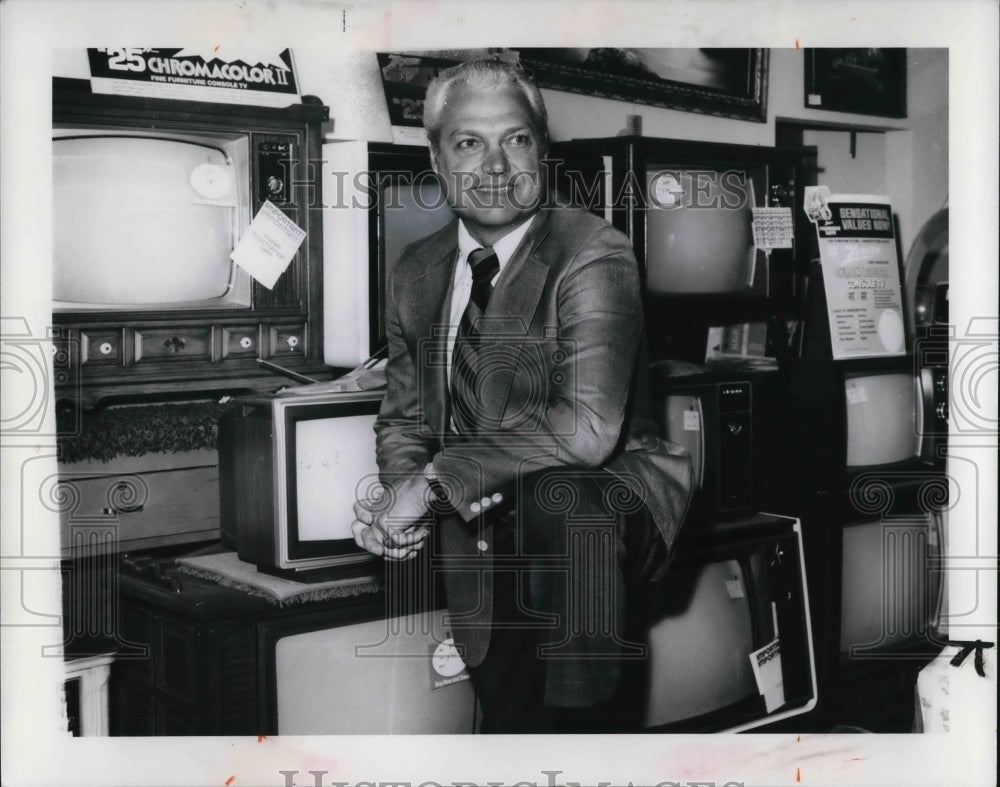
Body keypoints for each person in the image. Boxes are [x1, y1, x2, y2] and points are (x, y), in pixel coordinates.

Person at [352, 58, 692, 733]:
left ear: (543, 146)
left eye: (516, 138)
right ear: (436, 156)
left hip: (600, 512)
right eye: (469, 142)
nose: (497, 164)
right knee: (512, 724)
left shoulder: (593, 250)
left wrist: (431, 483)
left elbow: (588, 425)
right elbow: (404, 419)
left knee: (559, 501)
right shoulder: (415, 271)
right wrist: (398, 501)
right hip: (480, 529)